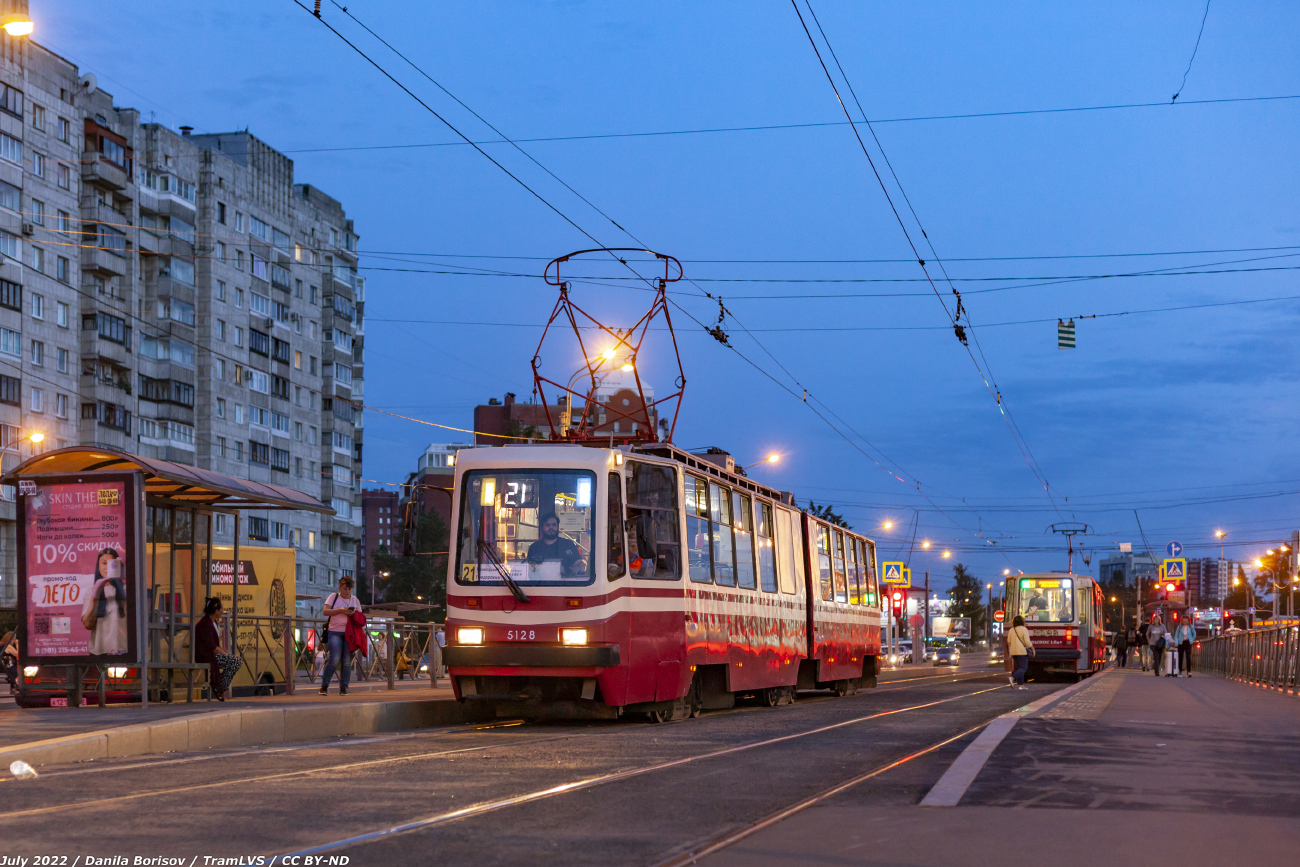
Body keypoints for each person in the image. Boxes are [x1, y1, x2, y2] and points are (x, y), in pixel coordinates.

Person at [80, 547, 128, 656]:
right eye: (104, 563)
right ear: (98, 567)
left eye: (112, 563)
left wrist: (127, 578)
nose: (107, 567)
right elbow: (88, 624)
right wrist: (95, 594)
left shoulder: (126, 590)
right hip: (98, 652)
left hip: (122, 650)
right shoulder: (91, 591)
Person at [194, 597, 241, 701]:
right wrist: (223, 653)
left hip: (211, 654)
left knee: (236, 661)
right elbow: (210, 644)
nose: (222, 612)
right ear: (216, 611)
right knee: (235, 661)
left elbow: (213, 643)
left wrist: (223, 651)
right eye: (221, 610)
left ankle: (219, 684)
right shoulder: (205, 624)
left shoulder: (213, 622)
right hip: (205, 655)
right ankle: (219, 685)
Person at [320, 576, 360, 696]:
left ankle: (344, 688)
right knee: (334, 659)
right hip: (335, 631)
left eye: (349, 589)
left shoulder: (355, 600)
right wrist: (341, 610)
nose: (346, 591)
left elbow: (360, 617)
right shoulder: (334, 596)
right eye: (344, 588)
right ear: (339, 587)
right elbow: (325, 611)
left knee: (347, 662)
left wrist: (353, 614)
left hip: (349, 633)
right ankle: (324, 686)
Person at [1006, 615, 1034, 690]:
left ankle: (1021, 685)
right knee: (1023, 668)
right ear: (1022, 621)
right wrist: (1032, 648)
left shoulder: (1011, 630)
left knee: (1019, 668)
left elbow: (1008, 641)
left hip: (1013, 652)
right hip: (1021, 651)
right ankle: (1012, 678)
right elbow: (1027, 642)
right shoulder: (1024, 629)